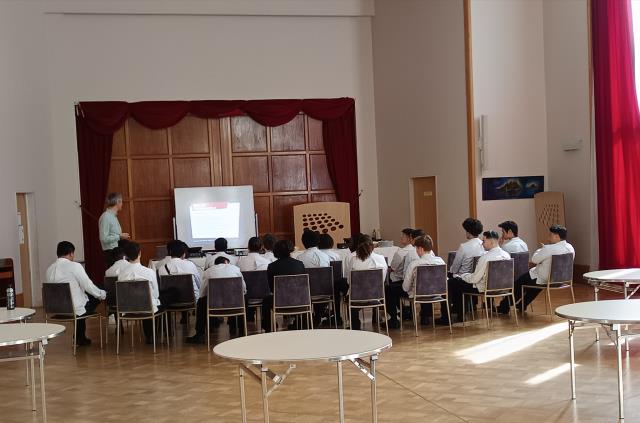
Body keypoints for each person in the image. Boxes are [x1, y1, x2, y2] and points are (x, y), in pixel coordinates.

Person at [497, 224, 575, 313]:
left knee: (518, 284)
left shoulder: (549, 248)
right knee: (535, 285)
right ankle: (522, 304)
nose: (548, 237)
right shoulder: (570, 248)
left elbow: (534, 259)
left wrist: (541, 249)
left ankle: (504, 307)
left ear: (557, 236)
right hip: (560, 279)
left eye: (550, 235)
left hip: (544, 277)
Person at [45, 241, 106, 346]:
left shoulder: (49, 269)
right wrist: (103, 294)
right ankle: (79, 337)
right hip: (74, 308)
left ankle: (80, 337)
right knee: (96, 292)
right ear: (71, 253)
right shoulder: (75, 266)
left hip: (55, 309)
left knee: (80, 300)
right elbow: (88, 286)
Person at [445, 231, 511, 323]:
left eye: (483, 241)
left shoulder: (485, 258)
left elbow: (475, 279)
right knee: (458, 283)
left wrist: (463, 276)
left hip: (484, 288)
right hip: (502, 288)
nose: (482, 244)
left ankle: (454, 315)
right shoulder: (507, 255)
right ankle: (459, 313)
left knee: (453, 283)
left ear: (491, 242)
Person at [387, 235, 445, 326]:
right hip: (436, 292)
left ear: (420, 249)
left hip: (418, 293)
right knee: (425, 287)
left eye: (416, 248)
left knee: (390, 289)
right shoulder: (441, 261)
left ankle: (393, 320)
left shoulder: (415, 264)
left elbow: (405, 287)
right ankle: (425, 316)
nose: (416, 251)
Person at [186, 256, 246, 343]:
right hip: (235, 305)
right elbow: (243, 288)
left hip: (214, 306)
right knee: (241, 298)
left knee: (201, 302)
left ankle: (200, 334)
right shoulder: (235, 269)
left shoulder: (208, 271)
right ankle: (242, 331)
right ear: (226, 262)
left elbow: (202, 292)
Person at [117, 241, 162, 343]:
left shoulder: (121, 274)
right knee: (153, 302)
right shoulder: (149, 272)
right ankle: (152, 336)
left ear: (126, 256)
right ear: (140, 253)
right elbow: (156, 294)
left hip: (128, 308)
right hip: (147, 308)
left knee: (146, 302)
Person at [262, 239, 306, 332]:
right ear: (291, 250)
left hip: (279, 301)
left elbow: (271, 287)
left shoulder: (272, 266)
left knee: (266, 300)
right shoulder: (299, 264)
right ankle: (302, 323)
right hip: (299, 300)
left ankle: (269, 327)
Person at [348, 235, 387, 330]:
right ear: (372, 246)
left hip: (357, 298)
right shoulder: (380, 258)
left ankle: (355, 328)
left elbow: (349, 281)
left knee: (351, 298)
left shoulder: (353, 260)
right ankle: (376, 318)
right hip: (376, 296)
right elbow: (383, 279)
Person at [99, 192, 130, 268]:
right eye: (121, 201)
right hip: (111, 253)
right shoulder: (106, 217)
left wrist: (120, 237)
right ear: (117, 202)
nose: (122, 204)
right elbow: (103, 238)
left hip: (117, 251)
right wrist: (119, 237)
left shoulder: (113, 216)